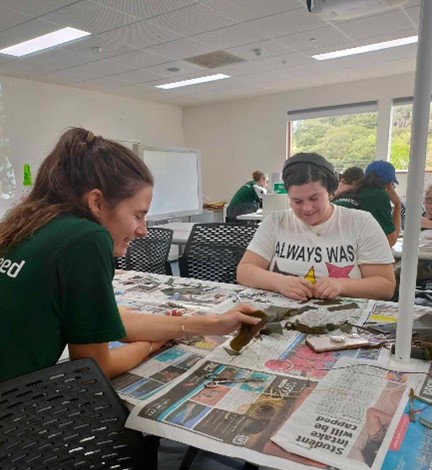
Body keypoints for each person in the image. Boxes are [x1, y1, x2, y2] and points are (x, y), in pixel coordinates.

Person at [0, 127, 260, 383]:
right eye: (138, 215)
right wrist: (148, 346)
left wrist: (212, 323)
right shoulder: (87, 238)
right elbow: (92, 369)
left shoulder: (28, 223)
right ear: (97, 203)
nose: (143, 231)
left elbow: (103, 321)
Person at [236, 152, 396, 302]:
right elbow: (244, 271)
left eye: (314, 198)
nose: (307, 208)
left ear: (330, 192)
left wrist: (341, 285)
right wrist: (280, 282)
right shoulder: (276, 221)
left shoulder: (360, 222)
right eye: (297, 201)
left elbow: (385, 286)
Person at [333, 160, 401, 247]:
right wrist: (397, 204)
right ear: (389, 185)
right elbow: (389, 242)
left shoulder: (350, 192)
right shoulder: (378, 195)